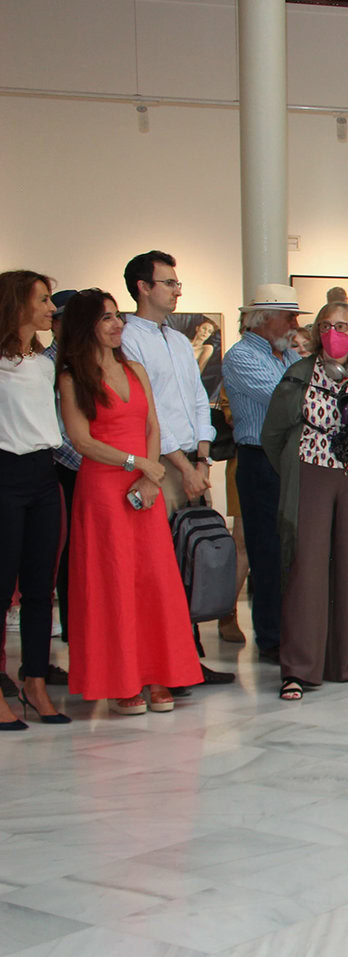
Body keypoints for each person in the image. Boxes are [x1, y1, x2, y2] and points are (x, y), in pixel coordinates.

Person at [56, 289, 201, 716]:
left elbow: (153, 425)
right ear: (87, 327)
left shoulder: (135, 368)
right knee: (113, 583)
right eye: (106, 318)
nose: (117, 324)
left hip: (144, 487)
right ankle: (122, 680)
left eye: (117, 316)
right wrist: (138, 463)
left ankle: (159, 673)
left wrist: (150, 473)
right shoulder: (71, 376)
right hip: (102, 490)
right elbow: (81, 440)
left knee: (153, 580)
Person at [118, 250, 233, 687]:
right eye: (168, 282)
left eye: (177, 282)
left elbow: (199, 400)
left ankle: (187, 658)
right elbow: (149, 415)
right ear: (143, 287)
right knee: (160, 566)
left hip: (193, 462)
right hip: (161, 466)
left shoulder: (179, 341)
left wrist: (203, 458)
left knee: (194, 560)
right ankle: (160, 664)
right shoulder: (130, 339)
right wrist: (183, 466)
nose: (177, 289)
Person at [261, 299, 348, 700]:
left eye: (344, 326)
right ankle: (299, 668)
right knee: (307, 568)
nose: (335, 333)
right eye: (327, 325)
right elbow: (273, 435)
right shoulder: (298, 374)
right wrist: (295, 472)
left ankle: (340, 662)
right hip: (311, 470)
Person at [220, 283, 308, 663]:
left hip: (292, 459)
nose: (295, 323)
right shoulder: (241, 357)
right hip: (259, 460)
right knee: (267, 551)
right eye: (289, 315)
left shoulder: (288, 357)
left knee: (294, 550)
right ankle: (271, 636)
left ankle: (293, 629)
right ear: (264, 318)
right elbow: (289, 401)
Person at [0, 271, 69, 728]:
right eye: (43, 301)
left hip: (46, 476)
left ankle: (36, 679)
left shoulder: (46, 364)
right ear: (17, 304)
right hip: (5, 474)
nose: (50, 309)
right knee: (3, 587)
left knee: (42, 588)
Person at [45, 288, 81, 650]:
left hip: (92, 465)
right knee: (70, 554)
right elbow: (57, 429)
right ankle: (74, 631)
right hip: (66, 470)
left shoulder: (85, 361)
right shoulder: (48, 365)